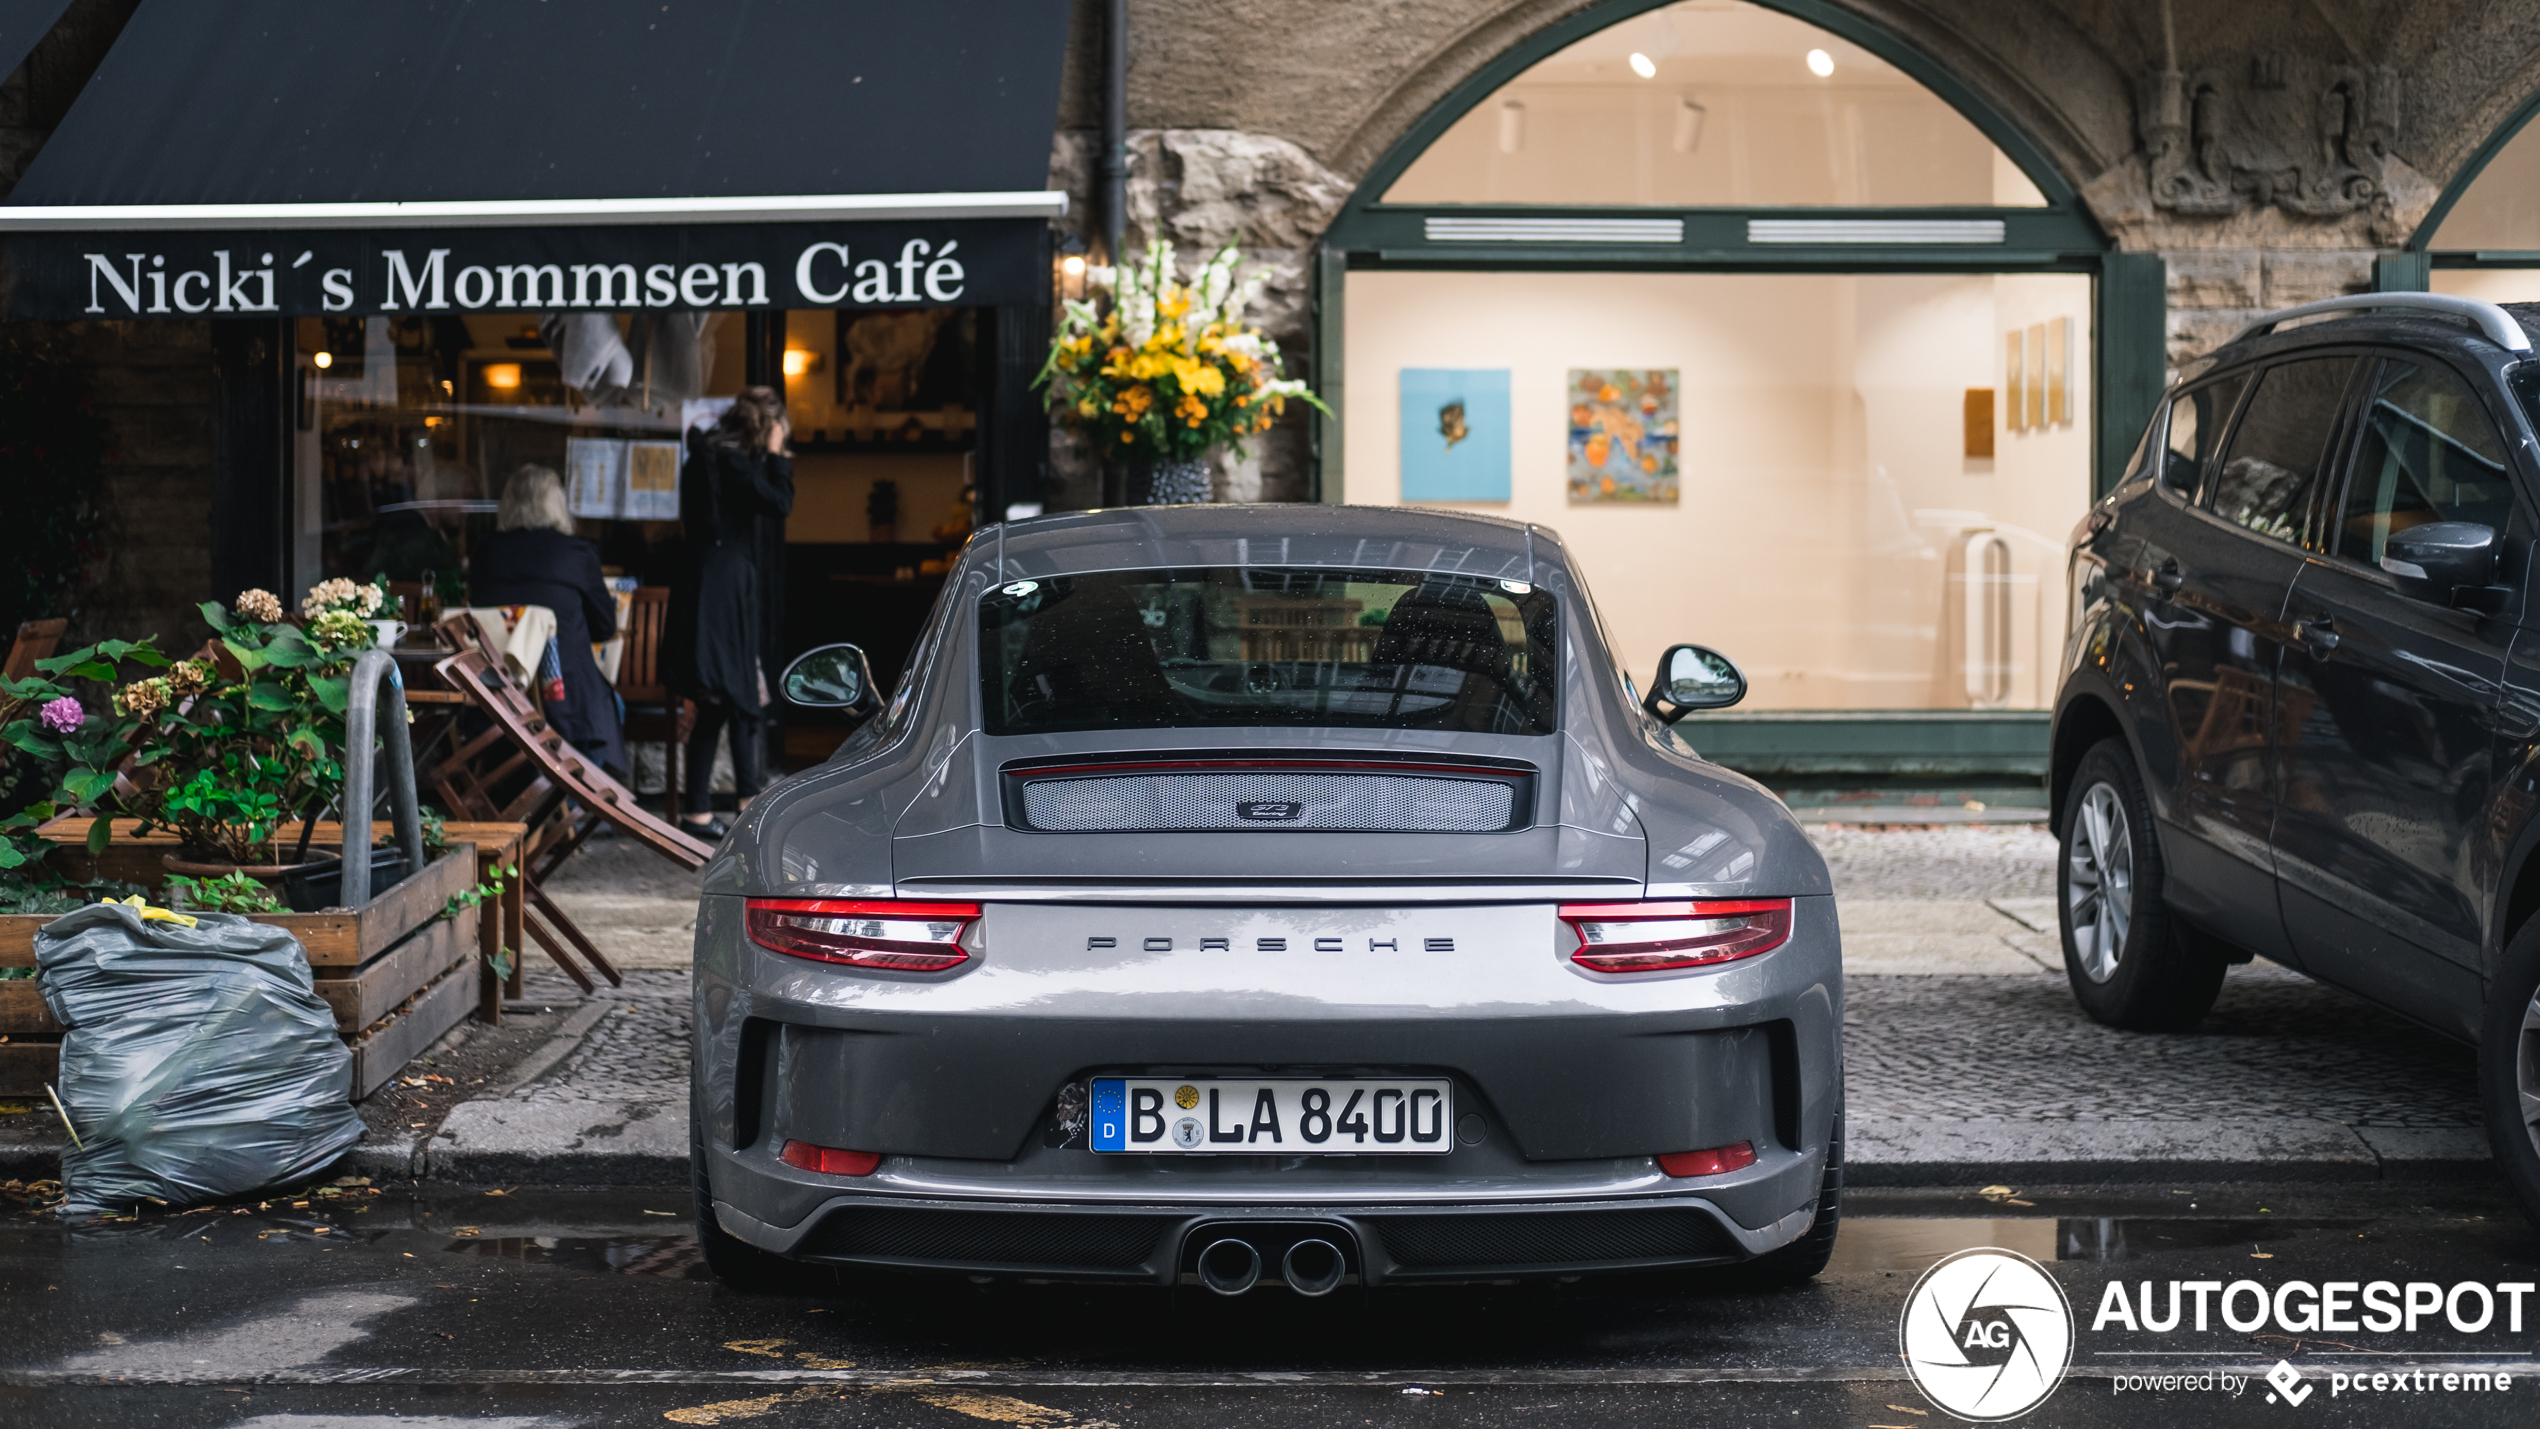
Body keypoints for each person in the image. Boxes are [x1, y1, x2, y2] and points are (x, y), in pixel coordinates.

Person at [666, 386, 794, 837]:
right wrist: (777, 453)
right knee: (740, 698)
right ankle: (746, 807)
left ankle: (703, 810)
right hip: (726, 589)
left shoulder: (704, 455)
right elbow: (781, 503)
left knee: (718, 702)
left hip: (700, 583)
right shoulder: (737, 464)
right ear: (767, 427)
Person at [468, 464, 626, 773]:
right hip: (566, 700)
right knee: (612, 705)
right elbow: (605, 627)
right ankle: (576, 798)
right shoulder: (576, 552)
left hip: (497, 698)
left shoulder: (485, 553)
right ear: (556, 503)